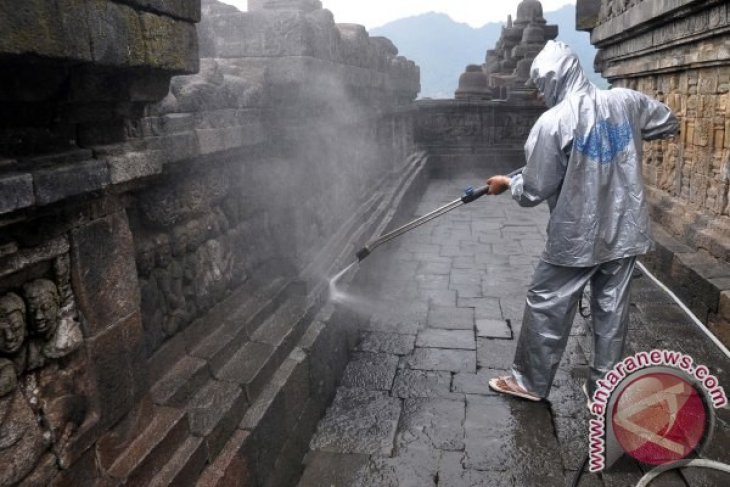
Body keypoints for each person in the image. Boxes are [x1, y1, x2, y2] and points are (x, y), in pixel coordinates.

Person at [485, 41, 678, 402]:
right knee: (612, 308)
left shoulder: (554, 122)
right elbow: (667, 121)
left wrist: (508, 182)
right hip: (624, 230)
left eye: (542, 86)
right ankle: (605, 389)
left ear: (554, 79)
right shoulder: (627, 102)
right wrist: (634, 135)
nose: (542, 95)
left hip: (575, 237)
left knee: (547, 302)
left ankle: (529, 383)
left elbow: (534, 189)